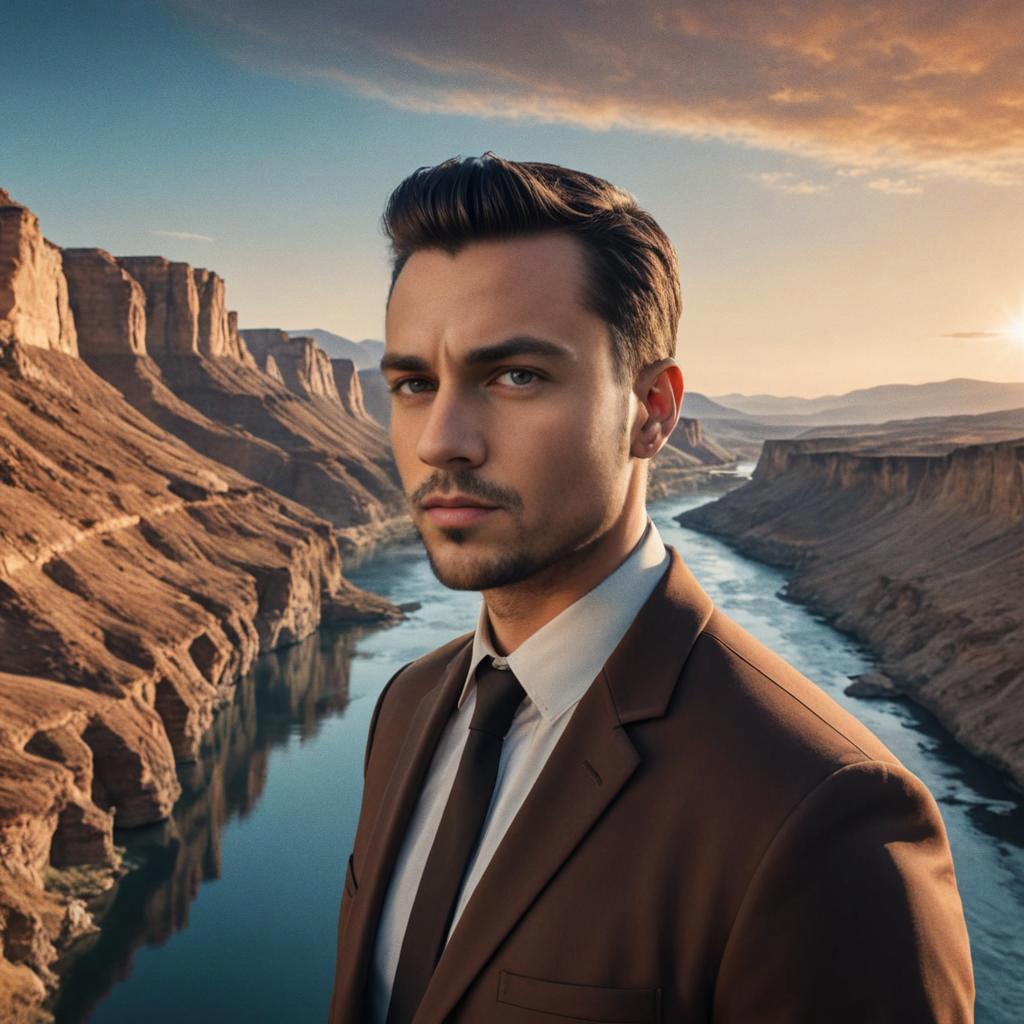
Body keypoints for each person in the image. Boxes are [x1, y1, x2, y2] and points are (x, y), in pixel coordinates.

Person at [327, 152, 974, 1024]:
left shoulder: (823, 812)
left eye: (515, 376)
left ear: (654, 411)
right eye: (413, 384)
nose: (442, 440)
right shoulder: (407, 708)